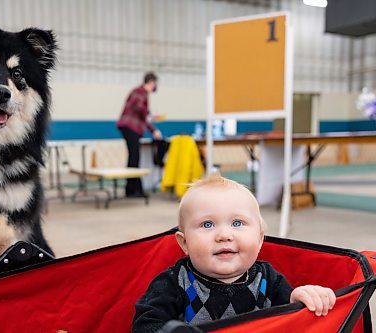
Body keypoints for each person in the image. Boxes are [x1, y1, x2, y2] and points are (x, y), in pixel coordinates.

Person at [132, 174, 336, 332]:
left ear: (259, 239)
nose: (224, 235)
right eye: (207, 224)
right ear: (184, 243)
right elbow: (145, 323)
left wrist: (298, 297)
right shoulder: (175, 281)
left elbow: (288, 318)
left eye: (237, 223)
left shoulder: (267, 279)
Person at [117, 72, 162, 198]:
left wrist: (153, 130)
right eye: (155, 84)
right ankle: (133, 190)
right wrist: (150, 113)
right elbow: (139, 107)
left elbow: (143, 117)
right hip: (130, 127)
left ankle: (131, 189)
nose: (155, 87)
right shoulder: (140, 92)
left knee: (133, 157)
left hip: (130, 127)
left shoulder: (141, 93)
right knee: (134, 158)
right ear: (151, 82)